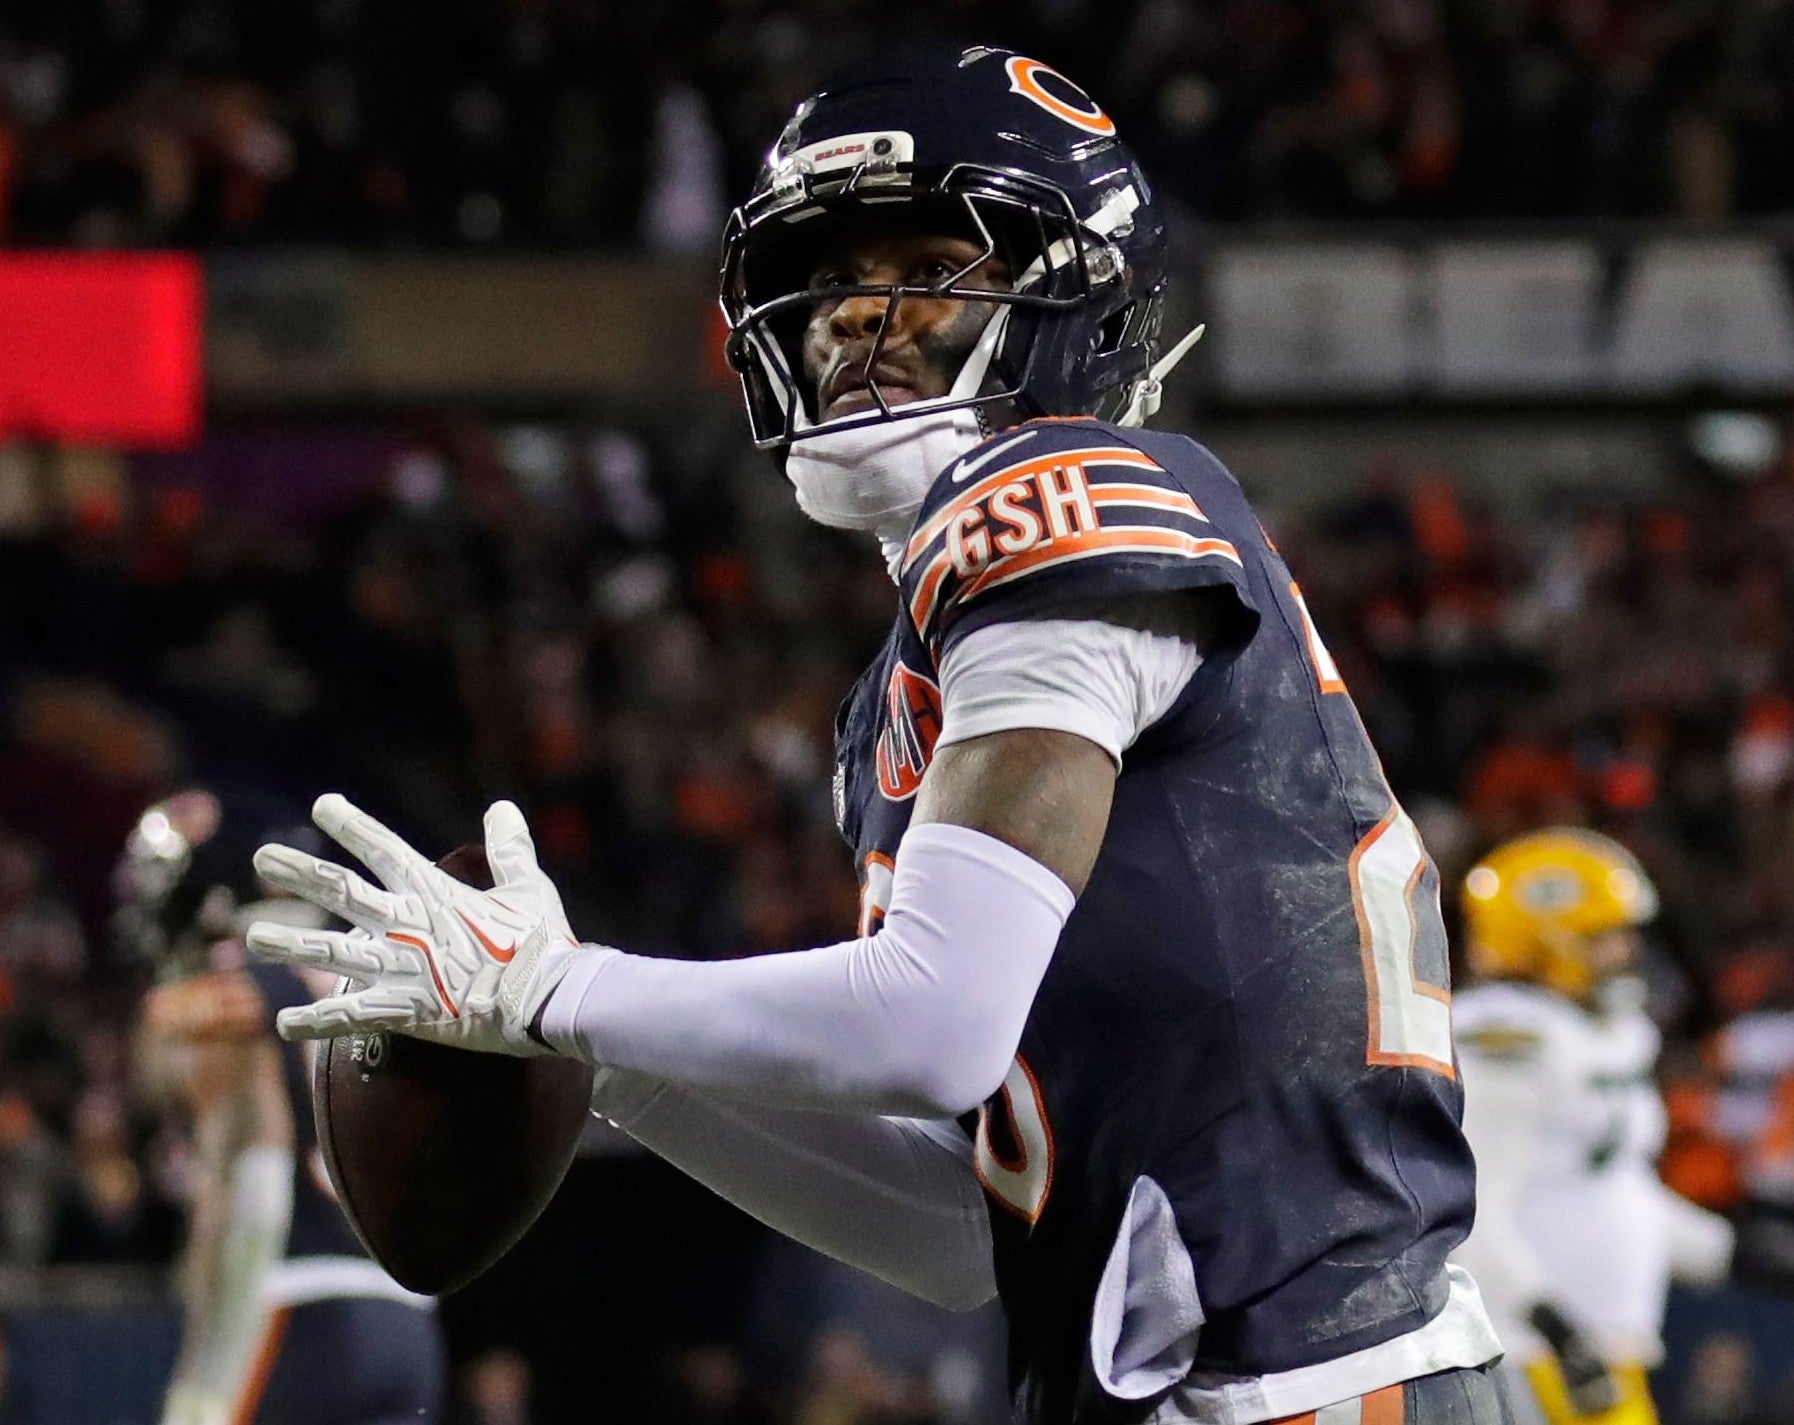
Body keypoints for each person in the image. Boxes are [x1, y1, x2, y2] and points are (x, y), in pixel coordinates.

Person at [246, 46, 1507, 1425]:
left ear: (1072, 290)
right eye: (832, 279)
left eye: (926, 265)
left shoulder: (1060, 489)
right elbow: (962, 1235)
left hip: (1308, 1392)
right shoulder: (914, 687)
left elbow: (933, 1023)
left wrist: (556, 991)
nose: (859, 317)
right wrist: (615, 1062)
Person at [122, 790, 444, 1425]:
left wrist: (206, 1380)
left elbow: (255, 1183)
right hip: (408, 1325)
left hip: (295, 1313)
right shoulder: (376, 979)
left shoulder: (225, 995)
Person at [1450, 829, 1774, 1425]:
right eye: (1604, 938)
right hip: (1534, 1350)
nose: (1626, 953)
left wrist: (1733, 1252)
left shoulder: (1591, 1035)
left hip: (1594, 1346)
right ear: (1541, 940)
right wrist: (1552, 1327)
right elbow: (1470, 1213)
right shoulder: (1506, 1039)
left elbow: (1608, 1187)